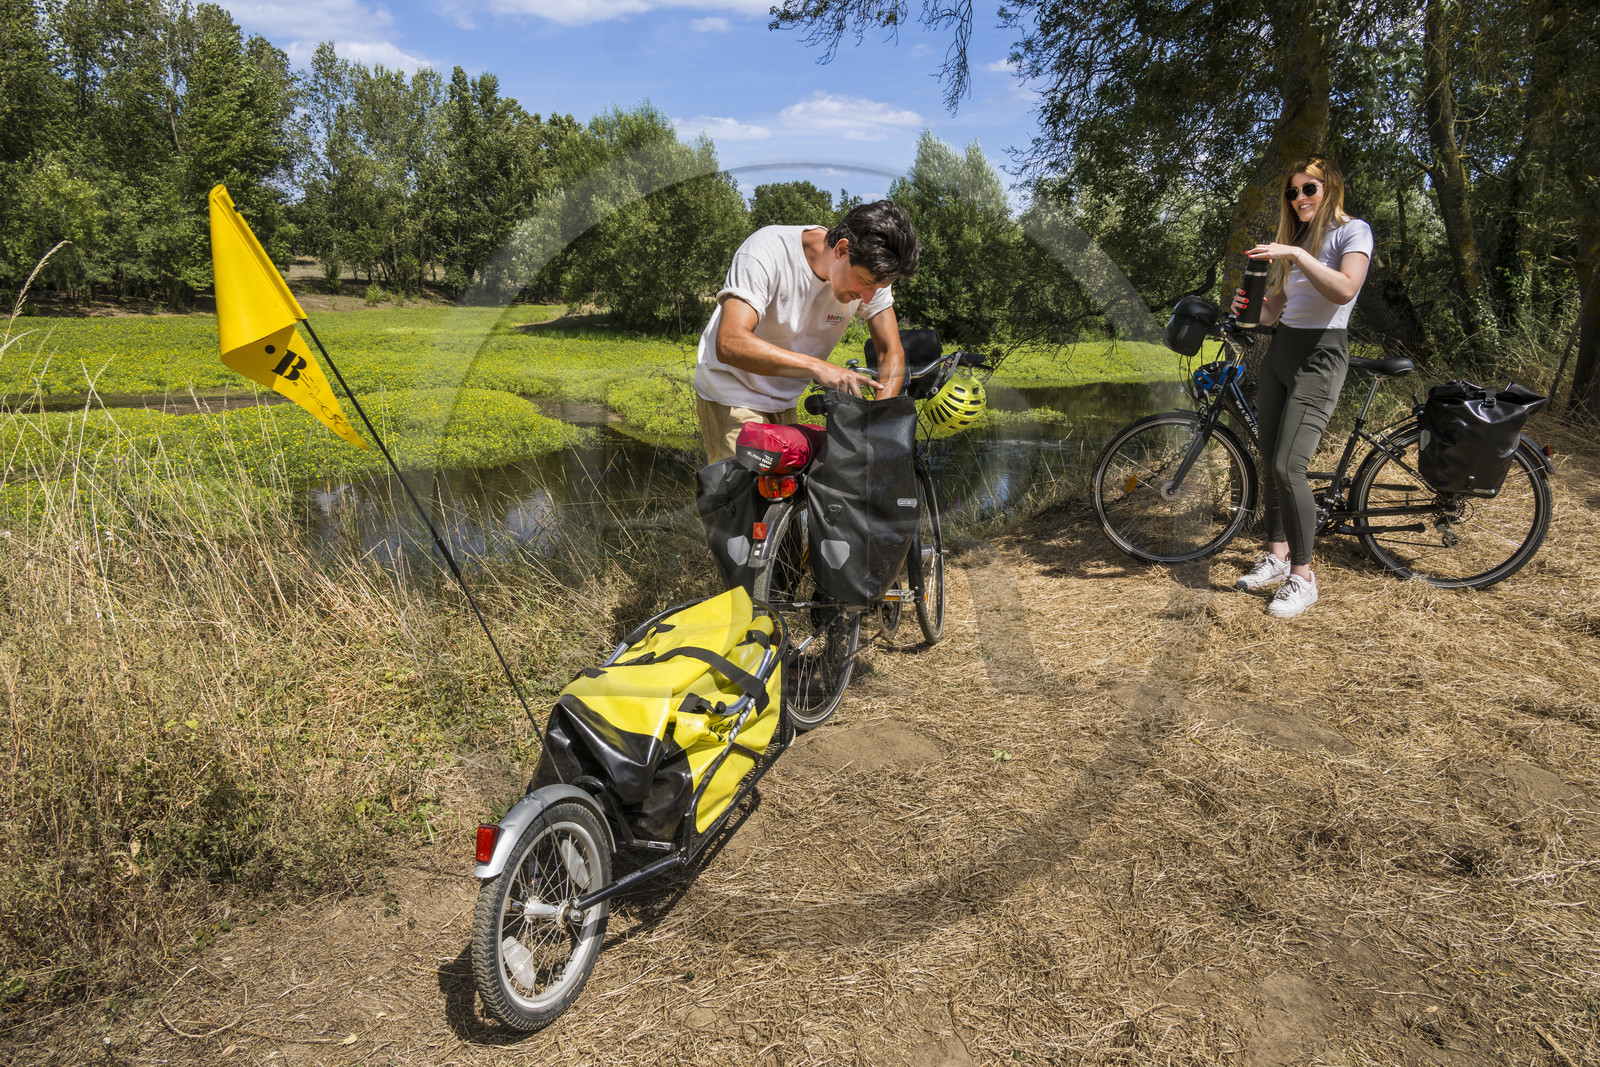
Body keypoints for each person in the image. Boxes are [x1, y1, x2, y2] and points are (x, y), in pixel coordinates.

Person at [1231, 154, 1373, 618]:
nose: (1299, 198)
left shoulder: (1353, 232)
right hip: (1282, 353)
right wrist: (1247, 307)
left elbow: (1345, 288)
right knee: (1270, 458)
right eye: (1292, 192)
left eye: (1308, 188)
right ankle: (1278, 556)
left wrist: (1296, 255)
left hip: (1320, 357)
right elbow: (1275, 310)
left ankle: (1304, 578)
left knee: (1289, 465)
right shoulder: (1298, 241)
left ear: (1330, 187)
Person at [694, 201, 920, 463]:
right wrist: (819, 367)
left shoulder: (873, 273)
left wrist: (877, 424)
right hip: (732, 393)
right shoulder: (767, 250)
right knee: (751, 488)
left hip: (785, 401)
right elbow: (730, 342)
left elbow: (890, 351)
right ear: (842, 250)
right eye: (866, 283)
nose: (868, 297)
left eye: (878, 288)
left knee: (796, 487)